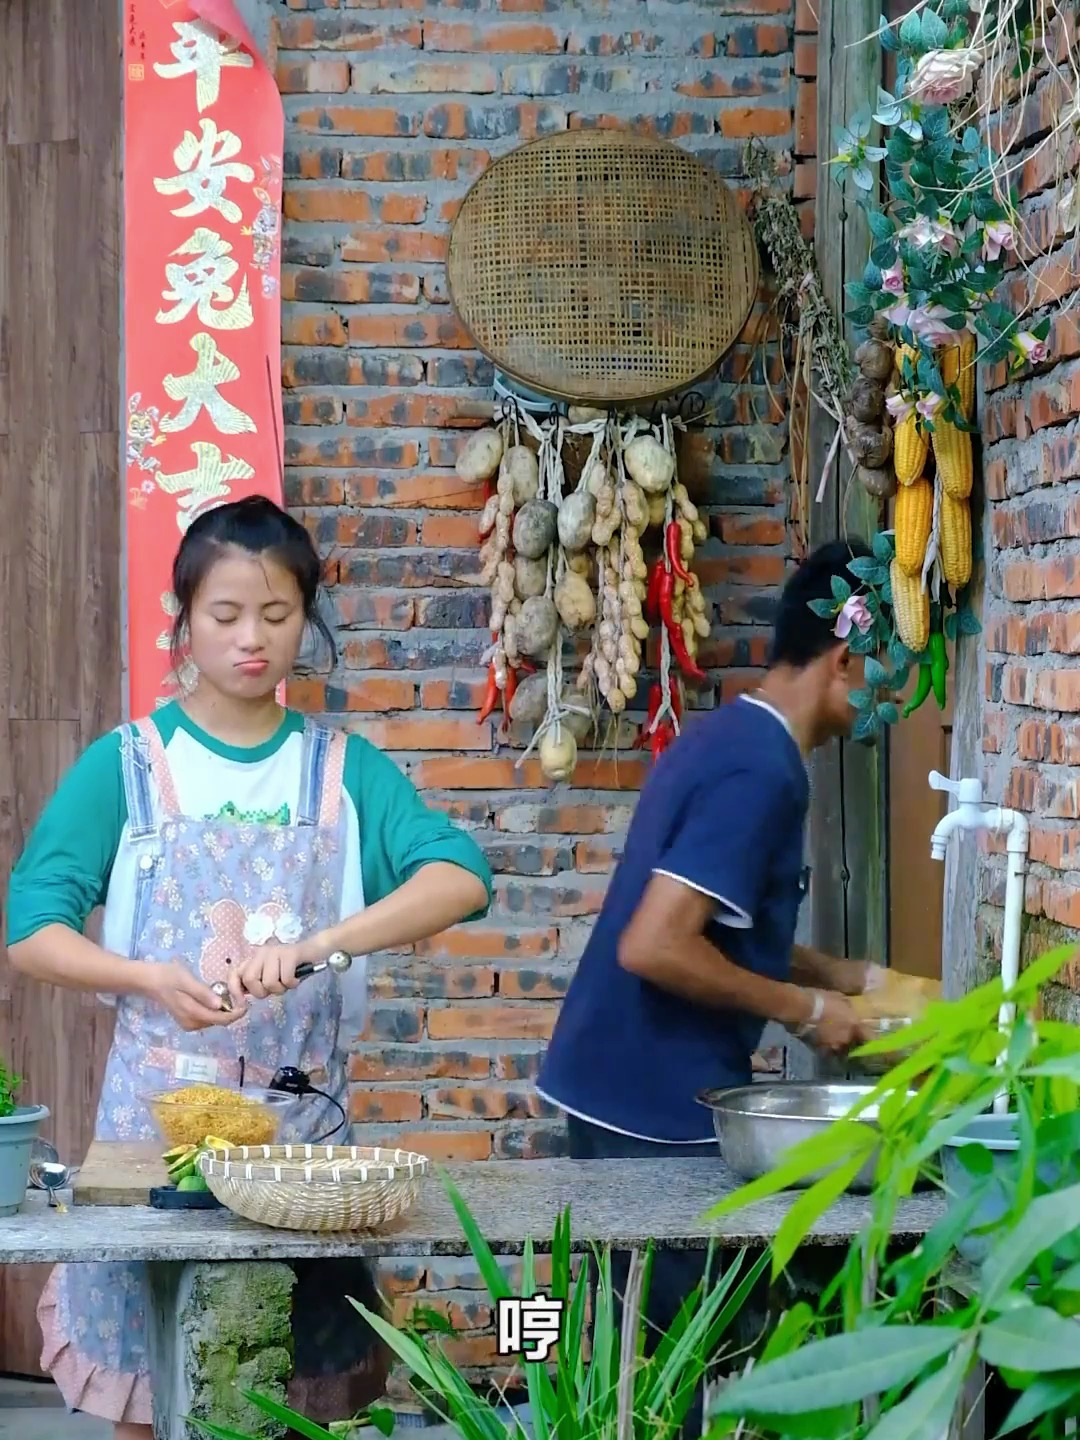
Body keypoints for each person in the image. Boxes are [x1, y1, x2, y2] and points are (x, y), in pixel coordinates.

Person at [6, 496, 492, 1440]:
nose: (251, 640)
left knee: (299, 1406)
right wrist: (149, 978)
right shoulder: (127, 765)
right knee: (150, 1399)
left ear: (306, 620)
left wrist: (317, 945)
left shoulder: (343, 770)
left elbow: (461, 878)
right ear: (183, 619)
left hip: (302, 1155)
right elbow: (32, 931)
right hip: (155, 1147)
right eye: (224, 614)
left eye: (276, 615)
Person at [536, 540, 886, 1423]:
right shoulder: (761, 771)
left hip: (609, 1082)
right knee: (673, 1371)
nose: (898, 698)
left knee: (635, 1355)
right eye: (894, 672)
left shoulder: (732, 735)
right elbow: (655, 944)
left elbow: (720, 923)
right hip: (649, 1105)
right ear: (846, 662)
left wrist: (840, 974)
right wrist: (808, 1010)